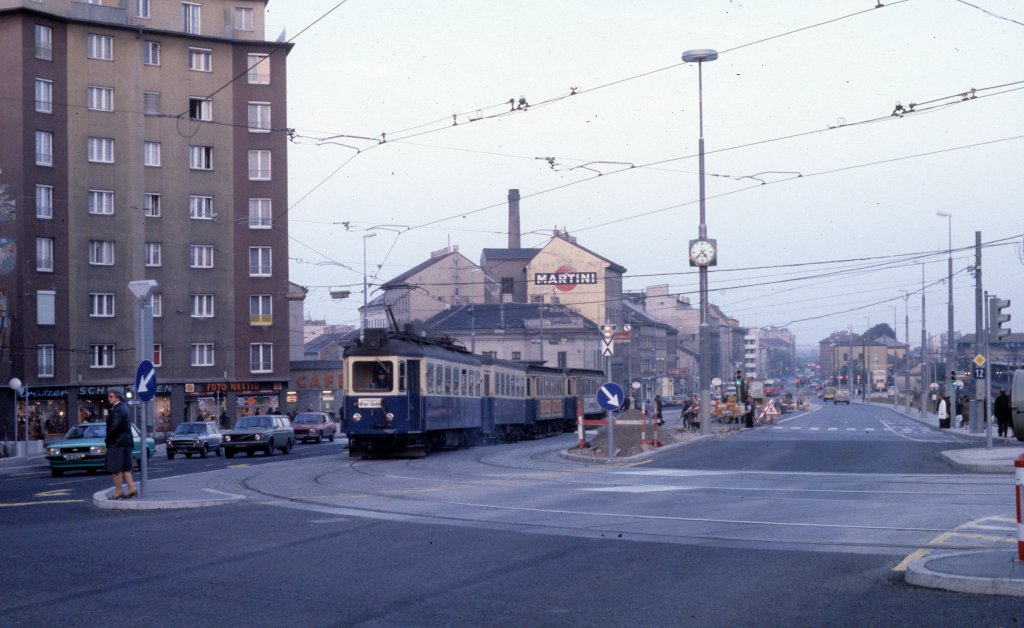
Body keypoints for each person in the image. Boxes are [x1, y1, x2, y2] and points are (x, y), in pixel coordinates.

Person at [104, 390, 137, 500]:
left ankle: (118, 491)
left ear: (118, 397)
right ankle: (132, 488)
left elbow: (114, 427)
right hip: (126, 442)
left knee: (116, 468)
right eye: (109, 396)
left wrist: (108, 439)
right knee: (125, 467)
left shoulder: (117, 409)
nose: (109, 398)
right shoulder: (124, 407)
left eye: (111, 396)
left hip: (116, 443)